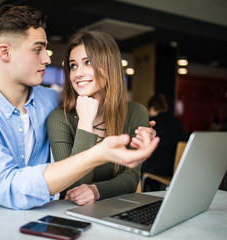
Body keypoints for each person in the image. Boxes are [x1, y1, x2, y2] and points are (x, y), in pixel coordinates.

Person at [0, 4, 159, 210]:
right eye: (38, 49)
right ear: (4, 53)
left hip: (42, 214)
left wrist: (142, 132)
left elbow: (95, 101)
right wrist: (99, 153)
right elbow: (10, 188)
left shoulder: (54, 100)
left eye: (45, 48)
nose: (48, 58)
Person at [47, 31, 150, 205]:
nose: (78, 73)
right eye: (73, 66)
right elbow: (72, 186)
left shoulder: (136, 112)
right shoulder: (60, 118)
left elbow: (131, 178)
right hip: (72, 214)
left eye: (88, 63)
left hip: (117, 208)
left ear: (109, 67)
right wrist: (85, 123)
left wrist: (96, 191)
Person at [141, 94, 187, 191]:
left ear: (152, 108)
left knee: (139, 164)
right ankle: (155, 190)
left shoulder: (152, 123)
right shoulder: (176, 121)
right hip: (177, 168)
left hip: (159, 168)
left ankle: (146, 195)